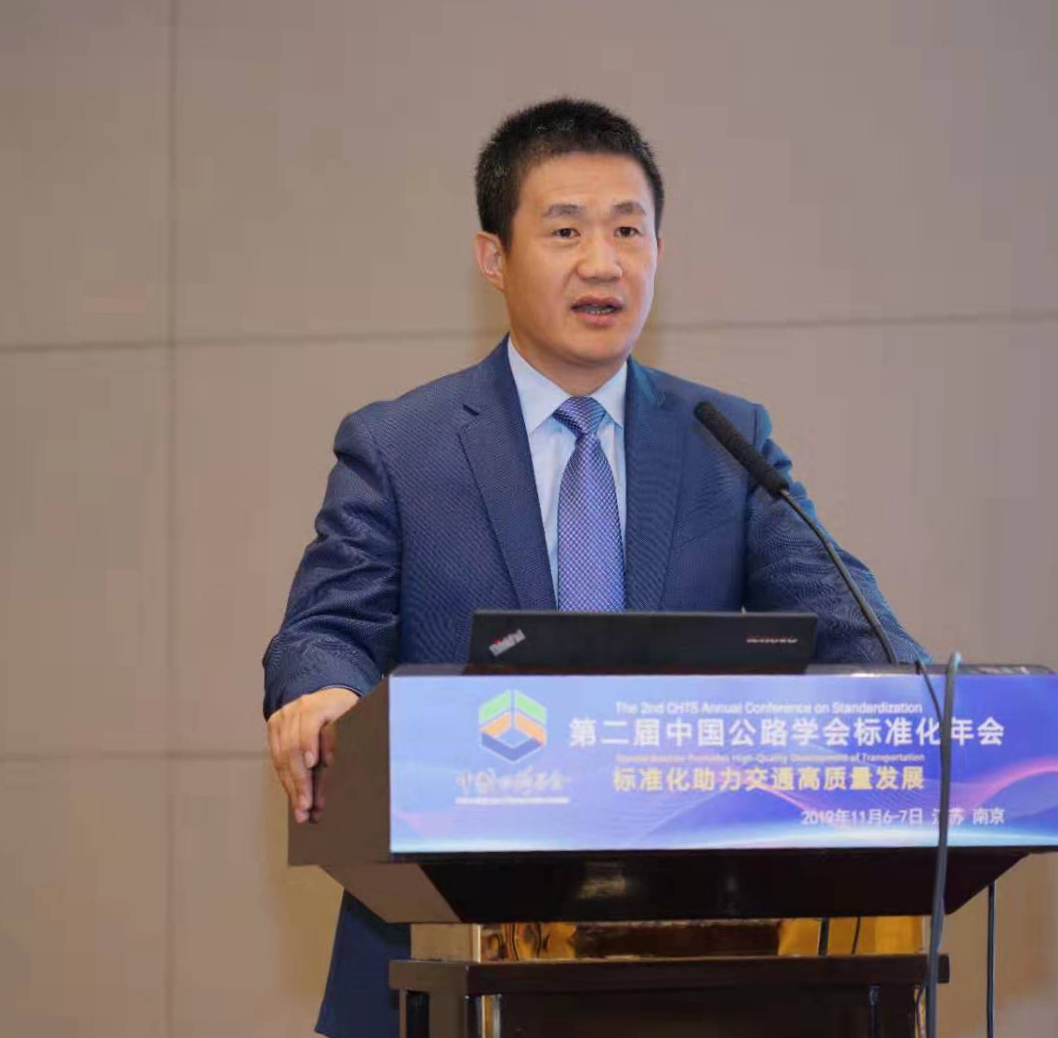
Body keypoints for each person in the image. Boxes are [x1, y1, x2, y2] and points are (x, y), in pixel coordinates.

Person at [262, 98, 925, 1038]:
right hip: (443, 950)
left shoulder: (723, 441)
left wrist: (922, 706)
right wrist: (324, 693)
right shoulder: (401, 447)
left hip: (699, 965)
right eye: (566, 230)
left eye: (628, 230)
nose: (603, 262)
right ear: (493, 256)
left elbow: (853, 627)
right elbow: (325, 630)